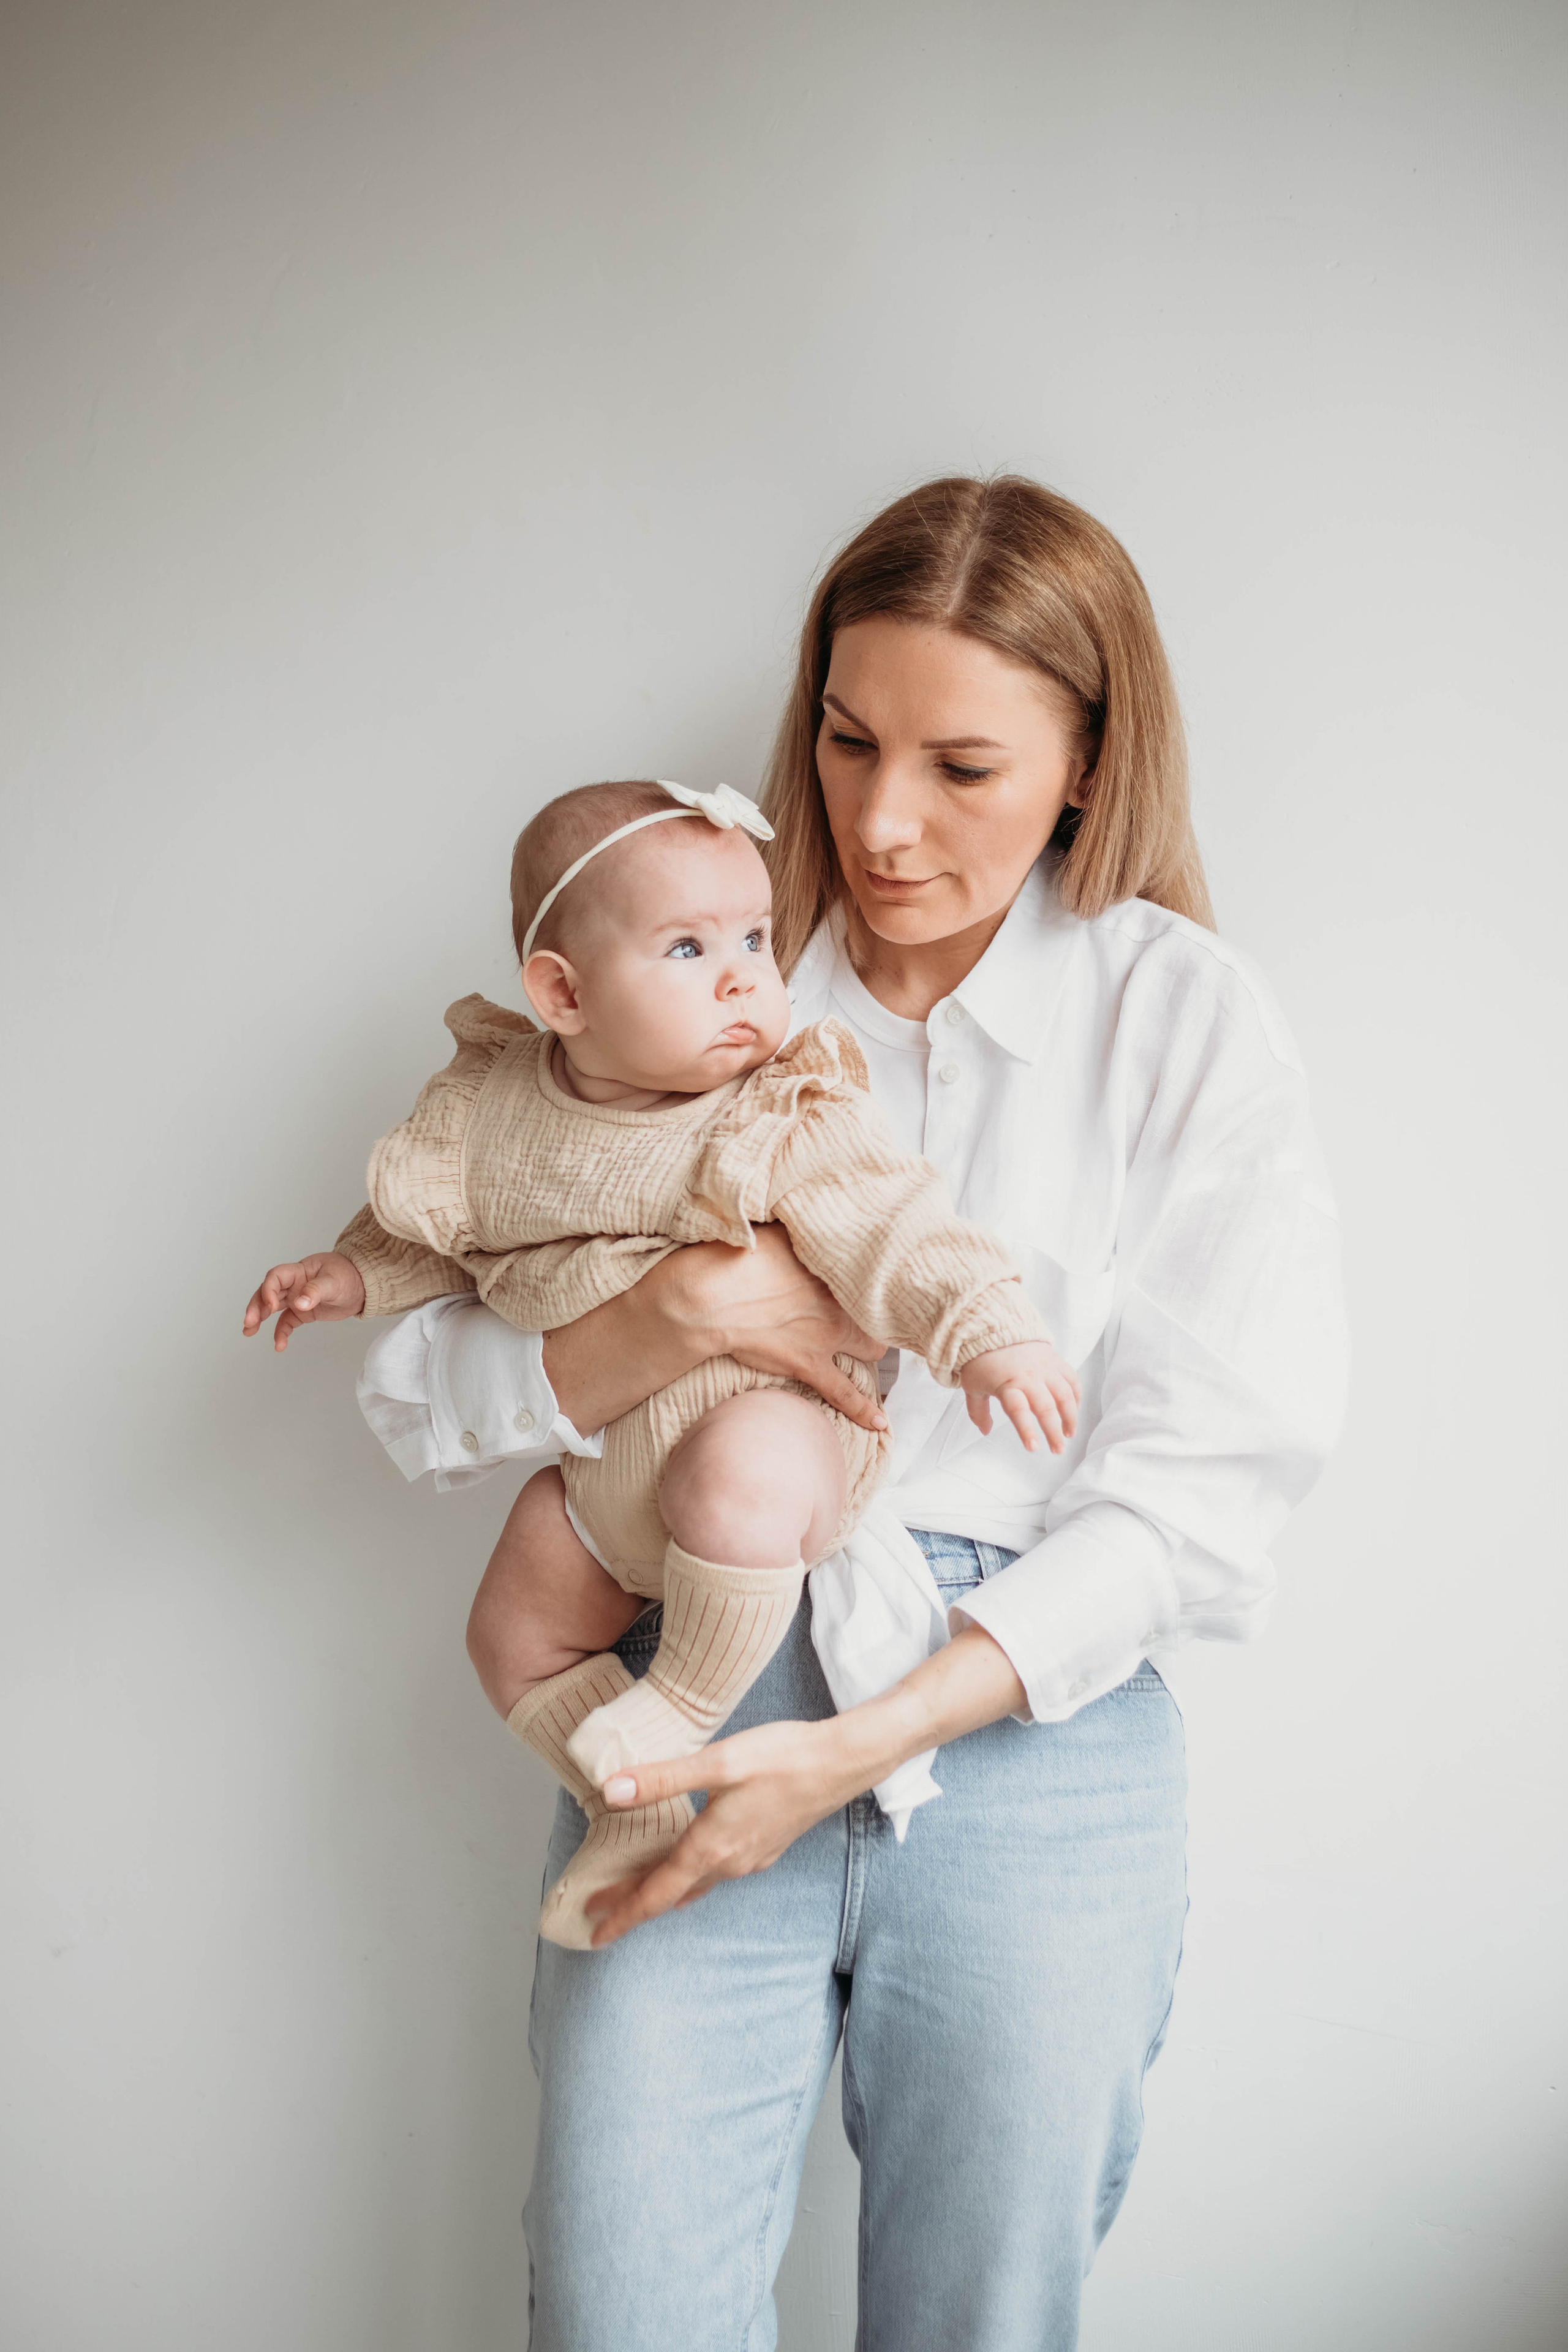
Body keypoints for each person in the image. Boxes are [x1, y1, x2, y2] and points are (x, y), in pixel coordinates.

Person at [276, 475, 1349, 2349]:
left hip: (1025, 1728)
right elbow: (410, 1376)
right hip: (698, 1675)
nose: (878, 822)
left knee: (977, 2321)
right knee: (624, 2310)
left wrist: (868, 1746)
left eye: (963, 767)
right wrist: (680, 1321)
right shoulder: (677, 957)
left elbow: (1202, 1499)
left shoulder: (1182, 1017)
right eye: (847, 742)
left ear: (1091, 768)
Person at [242, 774, 1079, 1945]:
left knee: (739, 1475)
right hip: (603, 1480)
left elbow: (897, 1229)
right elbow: (445, 1230)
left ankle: (675, 1707)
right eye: (689, 947)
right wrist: (350, 1276)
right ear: (564, 993)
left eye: (754, 939)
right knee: (509, 1635)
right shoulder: (500, 1114)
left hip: (774, 1451)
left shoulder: (780, 1111)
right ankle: (626, 1801)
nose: (744, 975)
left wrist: (991, 1329)